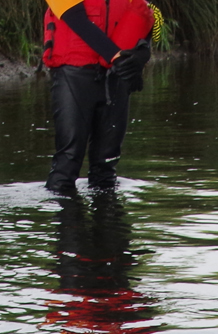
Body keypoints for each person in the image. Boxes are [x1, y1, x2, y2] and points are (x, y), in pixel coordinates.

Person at [42, 0, 155, 192]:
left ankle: (108, 221)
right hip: (74, 74)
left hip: (116, 75)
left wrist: (142, 52)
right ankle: (66, 220)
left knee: (106, 167)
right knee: (67, 162)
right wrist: (118, 58)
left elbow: (144, 14)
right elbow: (76, 19)